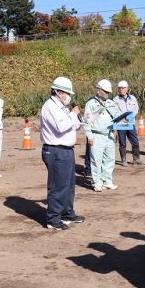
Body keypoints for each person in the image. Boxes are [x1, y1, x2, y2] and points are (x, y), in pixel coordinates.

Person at [40, 77, 85, 230]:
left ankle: (67, 213)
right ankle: (53, 219)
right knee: (58, 186)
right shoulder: (50, 107)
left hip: (66, 150)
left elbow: (72, 125)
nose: (69, 96)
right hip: (55, 150)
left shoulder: (61, 107)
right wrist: (73, 114)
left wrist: (80, 119)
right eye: (67, 93)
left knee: (69, 185)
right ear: (58, 92)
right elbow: (61, 126)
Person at [84, 79, 120, 192]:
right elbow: (87, 121)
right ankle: (97, 183)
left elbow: (116, 117)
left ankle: (107, 181)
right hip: (96, 135)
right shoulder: (90, 104)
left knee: (110, 159)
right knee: (96, 160)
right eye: (105, 91)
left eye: (108, 92)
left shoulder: (111, 103)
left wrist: (116, 130)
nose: (107, 94)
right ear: (99, 90)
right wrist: (89, 136)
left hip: (109, 135)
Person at [113, 80, 143, 166]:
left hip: (130, 123)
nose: (121, 89)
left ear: (127, 89)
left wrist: (131, 115)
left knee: (135, 141)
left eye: (123, 88)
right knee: (122, 143)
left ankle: (136, 159)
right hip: (120, 124)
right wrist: (123, 116)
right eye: (120, 88)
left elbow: (136, 109)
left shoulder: (133, 98)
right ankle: (123, 160)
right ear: (118, 89)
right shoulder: (115, 99)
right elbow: (114, 112)